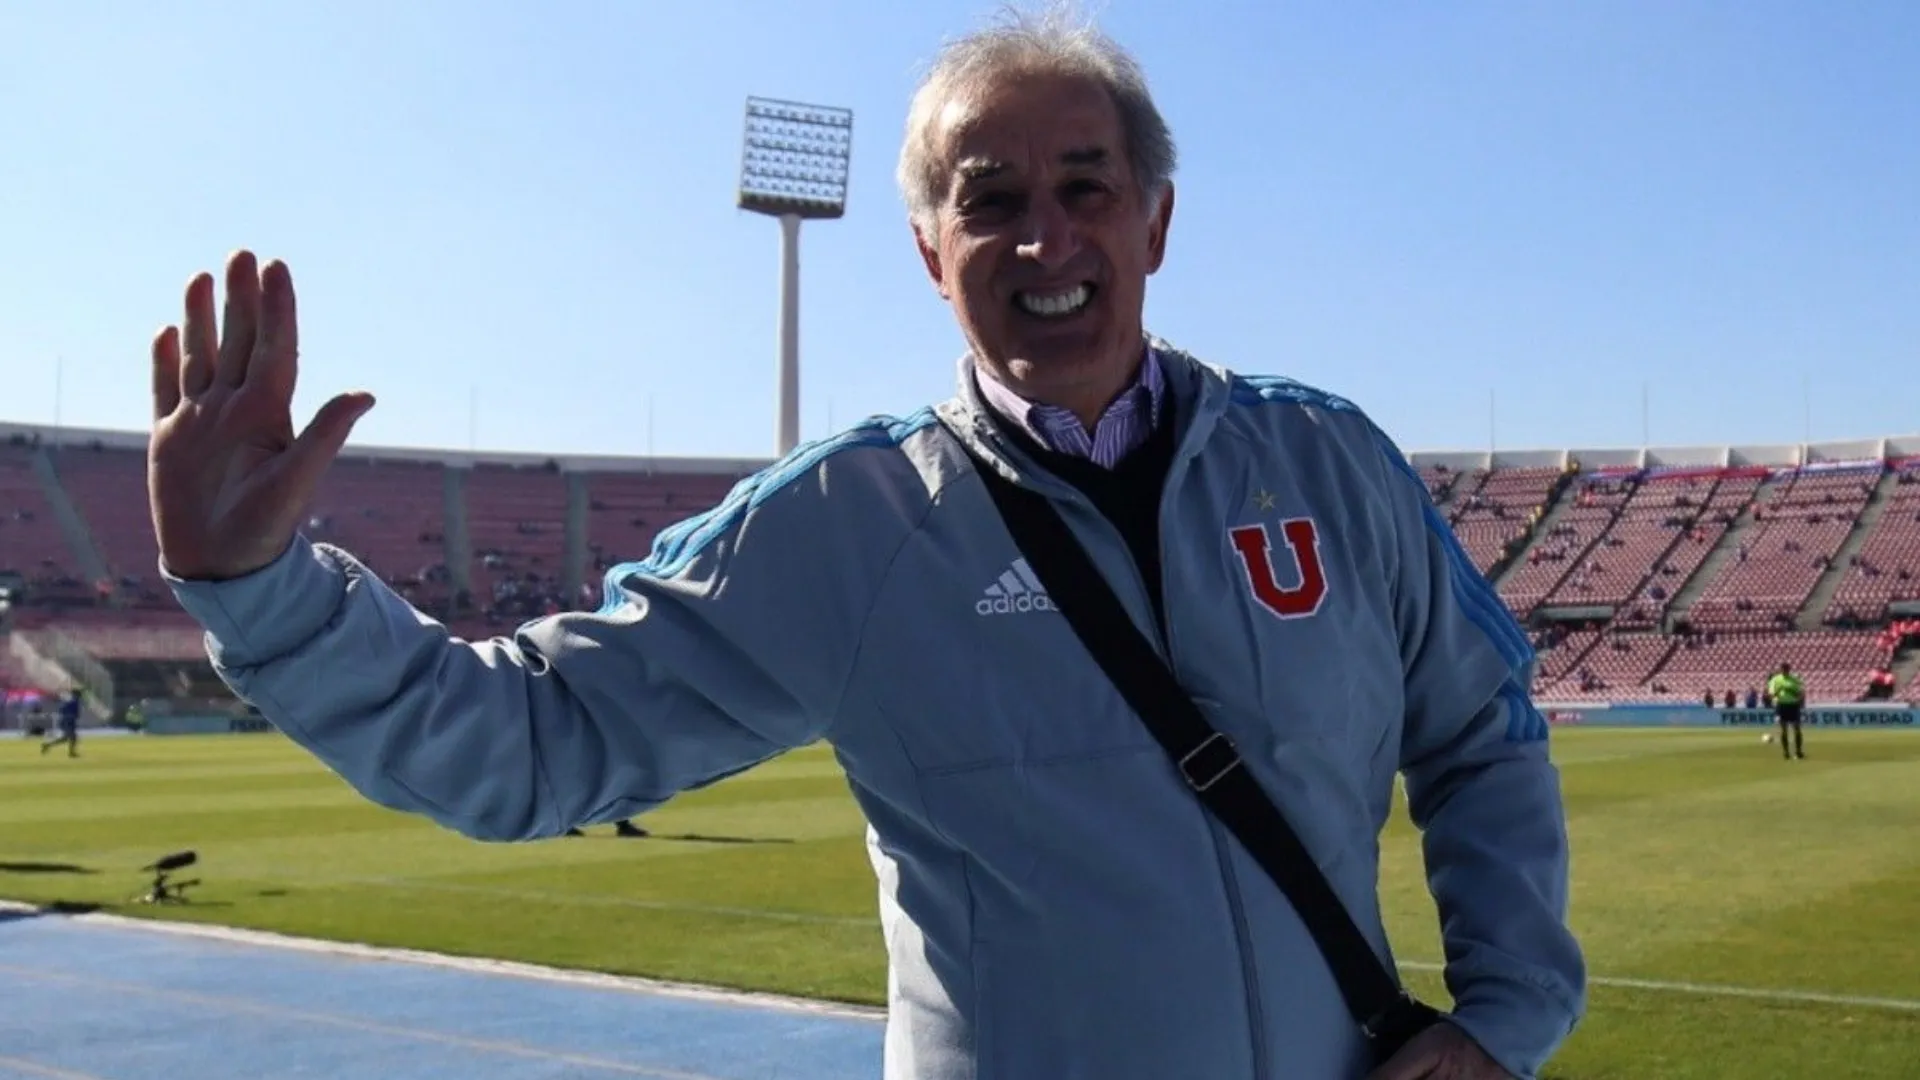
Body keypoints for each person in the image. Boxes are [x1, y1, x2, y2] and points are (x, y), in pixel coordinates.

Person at [145, 10, 1583, 1079]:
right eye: (991, 200)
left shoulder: (1326, 461)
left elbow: (1481, 734)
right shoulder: (849, 526)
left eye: (1085, 187)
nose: (1045, 239)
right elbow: (530, 743)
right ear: (925, 246)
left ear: (1156, 218)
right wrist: (256, 588)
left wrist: (1502, 1018)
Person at [1767, 661, 1806, 760]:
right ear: (1780, 669)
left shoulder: (1795, 679)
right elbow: (1771, 694)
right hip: (1782, 705)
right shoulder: (1775, 680)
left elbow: (1801, 692)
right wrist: (1776, 695)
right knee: (1783, 730)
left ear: (1789, 669)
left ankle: (1798, 751)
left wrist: (1799, 699)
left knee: (1797, 729)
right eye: (1783, 668)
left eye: (1786, 668)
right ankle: (1786, 752)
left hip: (1793, 705)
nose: (1785, 670)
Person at [40, 689, 82, 758]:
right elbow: (63, 710)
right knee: (73, 737)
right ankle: (71, 753)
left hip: (68, 722)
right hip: (68, 722)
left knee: (65, 738)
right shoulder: (73, 702)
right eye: (79, 695)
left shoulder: (72, 701)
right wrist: (69, 716)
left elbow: (62, 710)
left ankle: (47, 745)